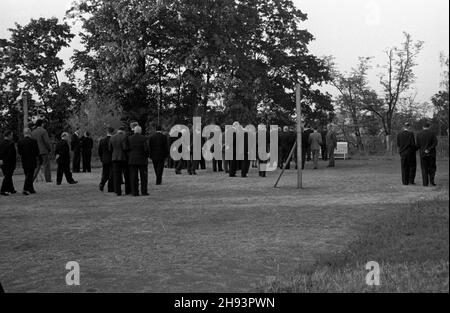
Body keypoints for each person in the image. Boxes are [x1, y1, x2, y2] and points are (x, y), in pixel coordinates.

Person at [127, 126, 149, 196]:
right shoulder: (144, 138)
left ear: (134, 131)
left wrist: (130, 156)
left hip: (132, 159)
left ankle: (134, 192)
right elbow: (146, 149)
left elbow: (127, 149)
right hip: (142, 159)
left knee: (133, 177)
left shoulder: (129, 138)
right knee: (144, 177)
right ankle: (144, 191)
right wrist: (146, 156)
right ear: (140, 131)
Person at [18, 128, 40, 195]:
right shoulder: (33, 141)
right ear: (30, 133)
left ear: (24, 133)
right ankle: (25, 189)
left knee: (27, 174)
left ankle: (31, 188)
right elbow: (37, 151)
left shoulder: (20, 142)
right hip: (32, 160)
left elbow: (19, 152)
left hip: (24, 160)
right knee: (30, 175)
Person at [110, 126, 130, 196]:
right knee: (126, 175)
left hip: (115, 158)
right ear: (123, 131)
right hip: (123, 158)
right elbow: (125, 148)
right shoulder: (124, 137)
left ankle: (118, 191)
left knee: (116, 175)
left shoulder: (112, 137)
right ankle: (127, 190)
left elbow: (110, 149)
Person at [416, 122, 438, 187]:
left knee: (424, 168)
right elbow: (435, 143)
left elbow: (418, 145)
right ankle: (432, 182)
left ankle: (425, 183)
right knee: (432, 168)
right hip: (431, 154)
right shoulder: (432, 134)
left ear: (423, 127)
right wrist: (429, 149)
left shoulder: (419, 134)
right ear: (429, 127)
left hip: (422, 154)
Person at [0, 130, 17, 196]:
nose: (12, 136)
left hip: (3, 163)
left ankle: (11, 189)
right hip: (9, 163)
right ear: (9, 135)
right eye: (11, 135)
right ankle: (3, 190)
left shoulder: (1, 143)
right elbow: (11, 155)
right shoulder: (11, 143)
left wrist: (1, 160)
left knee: (8, 176)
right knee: (7, 176)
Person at [98, 127, 115, 192]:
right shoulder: (113, 139)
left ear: (107, 132)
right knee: (111, 174)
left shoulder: (102, 140)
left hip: (104, 159)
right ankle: (110, 188)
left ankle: (102, 184)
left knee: (105, 173)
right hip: (112, 159)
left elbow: (99, 151)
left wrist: (101, 158)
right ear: (113, 132)